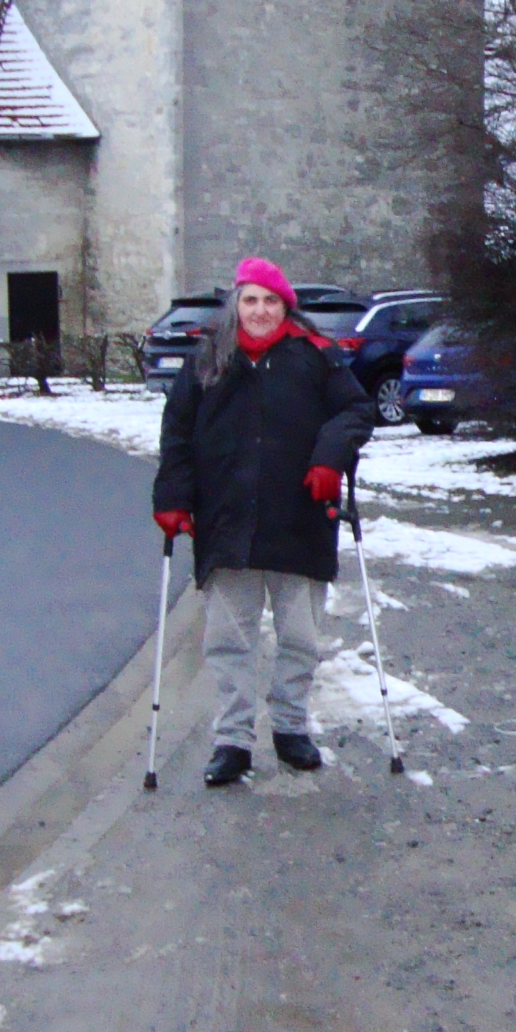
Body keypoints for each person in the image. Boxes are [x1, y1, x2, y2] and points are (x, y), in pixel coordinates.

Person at [153, 258, 375, 786]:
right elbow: (177, 432)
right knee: (228, 640)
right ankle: (232, 741)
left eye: (270, 301)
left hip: (299, 519)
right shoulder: (209, 359)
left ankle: (291, 728)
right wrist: (173, 496)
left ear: (285, 306)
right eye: (250, 300)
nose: (259, 310)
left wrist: (329, 458)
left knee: (300, 637)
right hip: (226, 522)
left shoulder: (316, 357)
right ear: (237, 304)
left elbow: (355, 413)